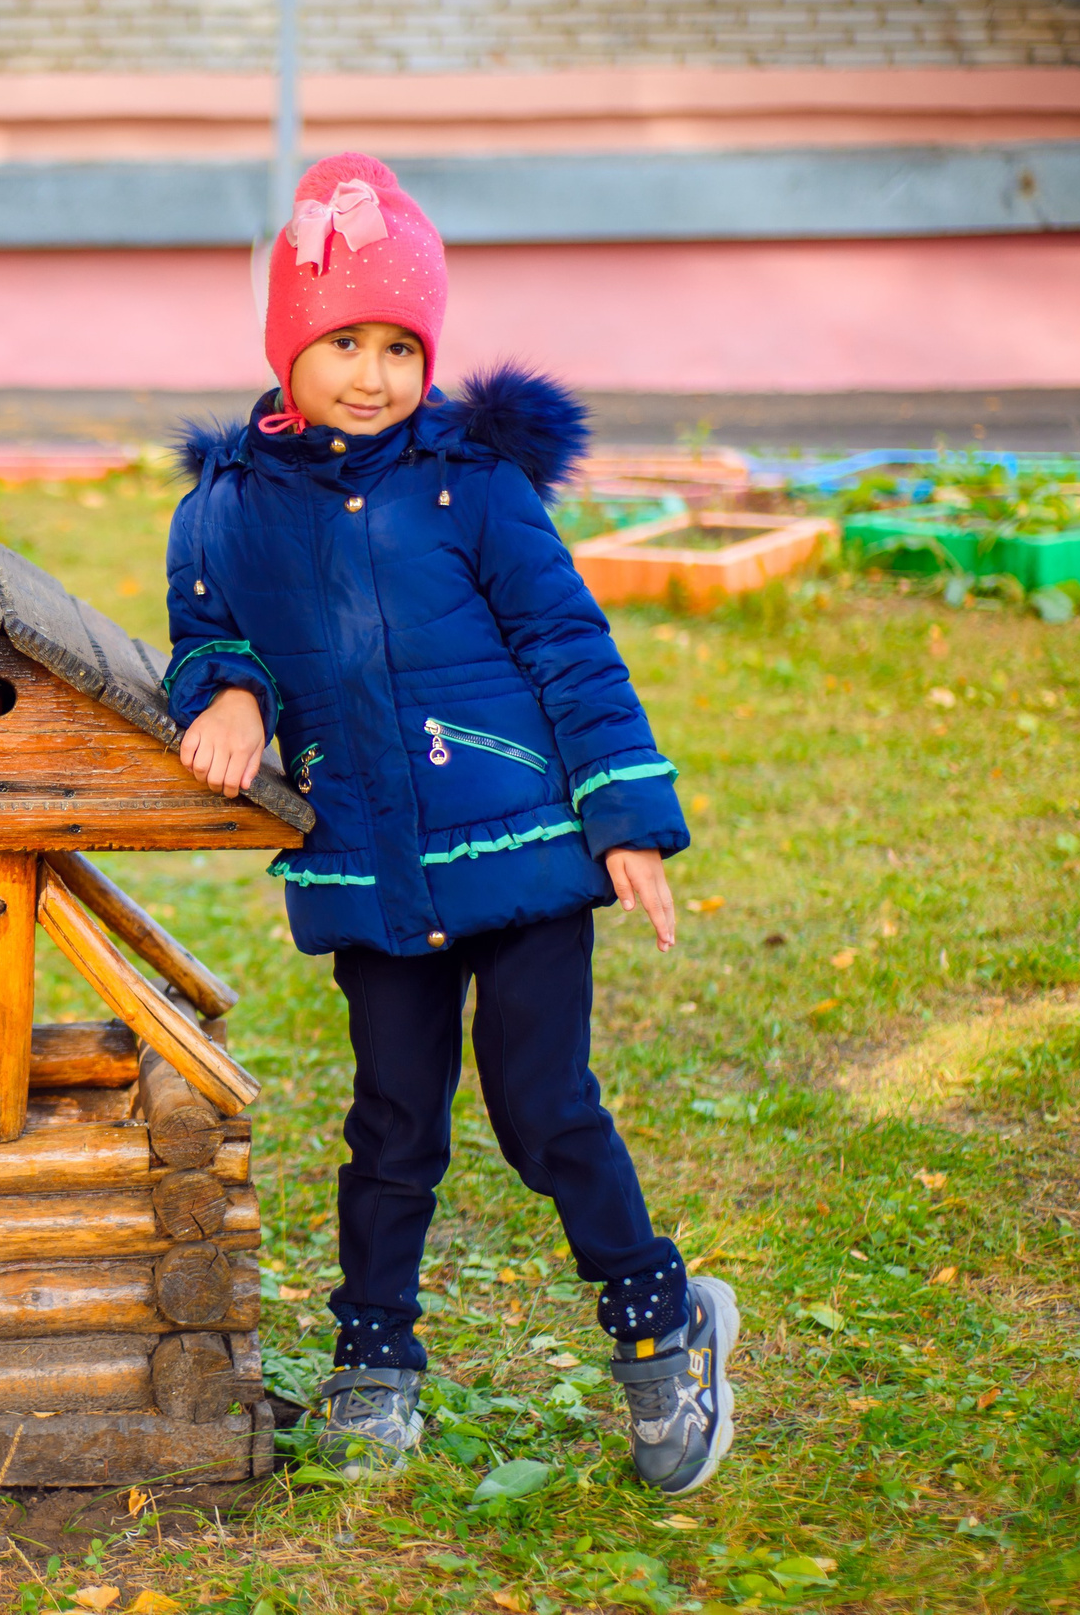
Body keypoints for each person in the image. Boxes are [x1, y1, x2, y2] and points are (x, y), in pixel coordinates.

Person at [164, 152, 736, 1496]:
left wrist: (622, 814)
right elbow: (205, 641)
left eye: (397, 344)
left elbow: (567, 645)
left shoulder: (472, 484)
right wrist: (230, 692)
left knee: (544, 1107)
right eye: (341, 340)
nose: (369, 372)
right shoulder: (226, 513)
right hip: (370, 865)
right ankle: (375, 1361)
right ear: (287, 346)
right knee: (392, 1122)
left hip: (521, 855)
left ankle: (663, 1323)